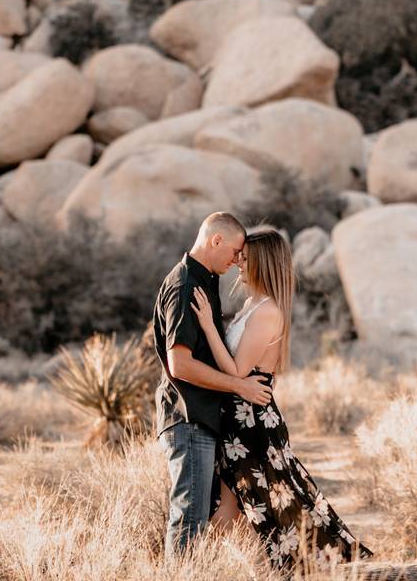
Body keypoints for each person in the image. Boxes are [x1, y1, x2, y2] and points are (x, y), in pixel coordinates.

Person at [190, 228, 373, 569]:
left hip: (251, 421)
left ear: (262, 263)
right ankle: (237, 570)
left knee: (275, 498)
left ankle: (325, 565)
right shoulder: (251, 304)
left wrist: (207, 325)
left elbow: (238, 368)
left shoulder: (268, 311)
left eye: (244, 259)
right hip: (236, 415)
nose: (237, 264)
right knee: (237, 505)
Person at [153, 212, 275, 559]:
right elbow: (180, 364)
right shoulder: (186, 285)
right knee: (188, 517)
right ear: (215, 240)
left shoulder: (204, 280)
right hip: (189, 416)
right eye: (235, 251)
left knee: (203, 515)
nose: (238, 260)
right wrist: (239, 387)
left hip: (204, 418)